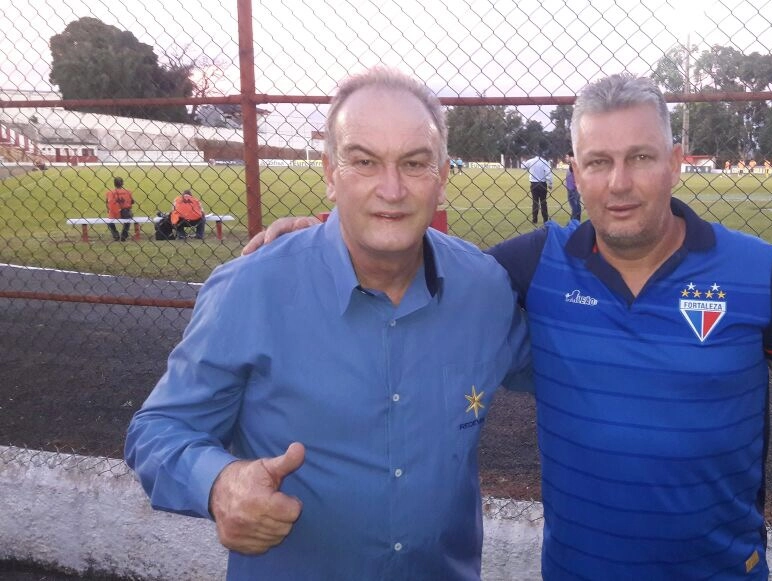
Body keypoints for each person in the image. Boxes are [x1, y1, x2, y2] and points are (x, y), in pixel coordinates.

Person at [243, 73, 772, 580]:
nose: (621, 182)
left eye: (640, 157)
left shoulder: (757, 273)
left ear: (674, 160)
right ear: (575, 172)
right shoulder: (534, 263)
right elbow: (418, 267)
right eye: (600, 162)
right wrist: (331, 234)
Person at [124, 67, 531, 580]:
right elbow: (157, 431)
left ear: (442, 176)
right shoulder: (253, 288)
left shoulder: (485, 291)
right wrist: (219, 483)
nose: (392, 188)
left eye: (414, 163)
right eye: (364, 162)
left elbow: (571, 358)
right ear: (329, 173)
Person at [521, 151, 553, 224]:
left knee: (535, 202)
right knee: (543, 202)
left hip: (533, 183)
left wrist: (523, 161)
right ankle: (545, 219)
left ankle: (534, 219)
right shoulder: (544, 162)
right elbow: (548, 173)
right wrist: (550, 183)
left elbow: (523, 167)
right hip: (542, 183)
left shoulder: (531, 161)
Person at [105, 177, 134, 242]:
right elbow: (132, 201)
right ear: (122, 183)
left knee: (109, 221)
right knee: (129, 218)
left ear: (114, 184)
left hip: (114, 214)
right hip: (125, 213)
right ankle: (124, 234)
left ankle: (115, 234)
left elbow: (107, 203)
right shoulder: (128, 192)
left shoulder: (110, 192)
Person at [563, 150, 581, 223]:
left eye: (567, 157)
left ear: (571, 157)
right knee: (577, 204)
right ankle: (577, 220)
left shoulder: (573, 165)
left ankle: (573, 220)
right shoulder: (575, 165)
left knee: (574, 205)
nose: (566, 158)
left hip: (573, 189)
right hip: (574, 188)